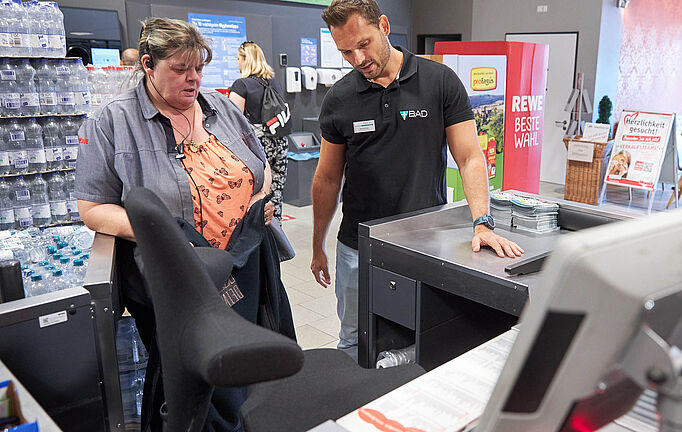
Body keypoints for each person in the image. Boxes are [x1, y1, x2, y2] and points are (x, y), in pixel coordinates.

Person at [75, 17, 294, 431]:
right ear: (147, 64)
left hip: (241, 264)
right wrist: (163, 235)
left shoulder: (223, 107)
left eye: (198, 68)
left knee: (247, 367)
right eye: (179, 69)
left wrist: (261, 197)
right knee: (199, 381)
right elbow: (92, 208)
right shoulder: (111, 122)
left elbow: (260, 164)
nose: (192, 79)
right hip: (178, 278)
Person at [310, 0, 524, 362]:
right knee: (353, 339)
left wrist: (482, 222)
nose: (358, 59)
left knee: (425, 335)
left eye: (364, 44)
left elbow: (470, 156)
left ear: (384, 26)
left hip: (426, 246)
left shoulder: (438, 81)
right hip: (358, 247)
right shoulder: (339, 99)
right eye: (346, 51)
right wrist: (318, 246)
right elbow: (328, 178)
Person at [229, 42, 289, 221]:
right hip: (280, 141)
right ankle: (277, 230)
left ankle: (259, 233)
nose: (237, 63)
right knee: (276, 189)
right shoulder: (274, 82)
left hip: (257, 145)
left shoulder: (241, 85)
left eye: (238, 59)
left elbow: (234, 120)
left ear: (246, 60)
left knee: (256, 192)